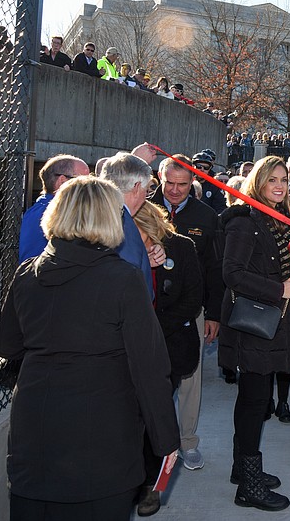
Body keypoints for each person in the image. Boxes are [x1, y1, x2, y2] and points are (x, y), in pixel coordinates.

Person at [0, 176, 179, 521]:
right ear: (110, 218)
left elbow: (6, 344)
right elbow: (149, 368)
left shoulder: (26, 274)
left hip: (34, 430)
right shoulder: (123, 279)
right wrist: (166, 441)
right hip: (102, 438)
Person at [219, 156, 290, 511]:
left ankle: (243, 469)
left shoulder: (280, 219)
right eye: (272, 180)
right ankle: (248, 486)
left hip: (270, 323)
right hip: (254, 323)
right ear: (258, 183)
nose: (280, 186)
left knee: (253, 399)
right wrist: (277, 289)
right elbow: (232, 273)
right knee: (254, 402)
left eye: (283, 179)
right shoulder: (245, 221)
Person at [150, 154, 224, 470]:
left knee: (191, 377)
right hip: (149, 309)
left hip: (191, 309)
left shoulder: (207, 217)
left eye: (183, 184)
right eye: (170, 183)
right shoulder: (141, 210)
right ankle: (153, 439)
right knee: (151, 376)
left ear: (192, 182)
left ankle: (187, 442)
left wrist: (214, 314)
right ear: (160, 178)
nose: (176, 190)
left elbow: (215, 269)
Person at [132, 201, 203, 516]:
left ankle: (151, 485)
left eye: (140, 237)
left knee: (155, 418)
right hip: (128, 349)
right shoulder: (122, 252)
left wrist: (154, 329)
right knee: (130, 418)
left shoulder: (182, 247)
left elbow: (193, 299)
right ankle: (129, 479)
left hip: (170, 346)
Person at [100, 152, 166, 300]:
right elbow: (128, 289)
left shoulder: (90, 214)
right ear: (136, 187)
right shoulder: (123, 222)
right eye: (146, 191)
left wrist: (145, 262)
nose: (146, 197)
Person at [19, 154, 90, 262]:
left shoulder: (37, 209)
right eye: (84, 182)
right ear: (62, 181)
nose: (90, 188)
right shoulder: (58, 213)